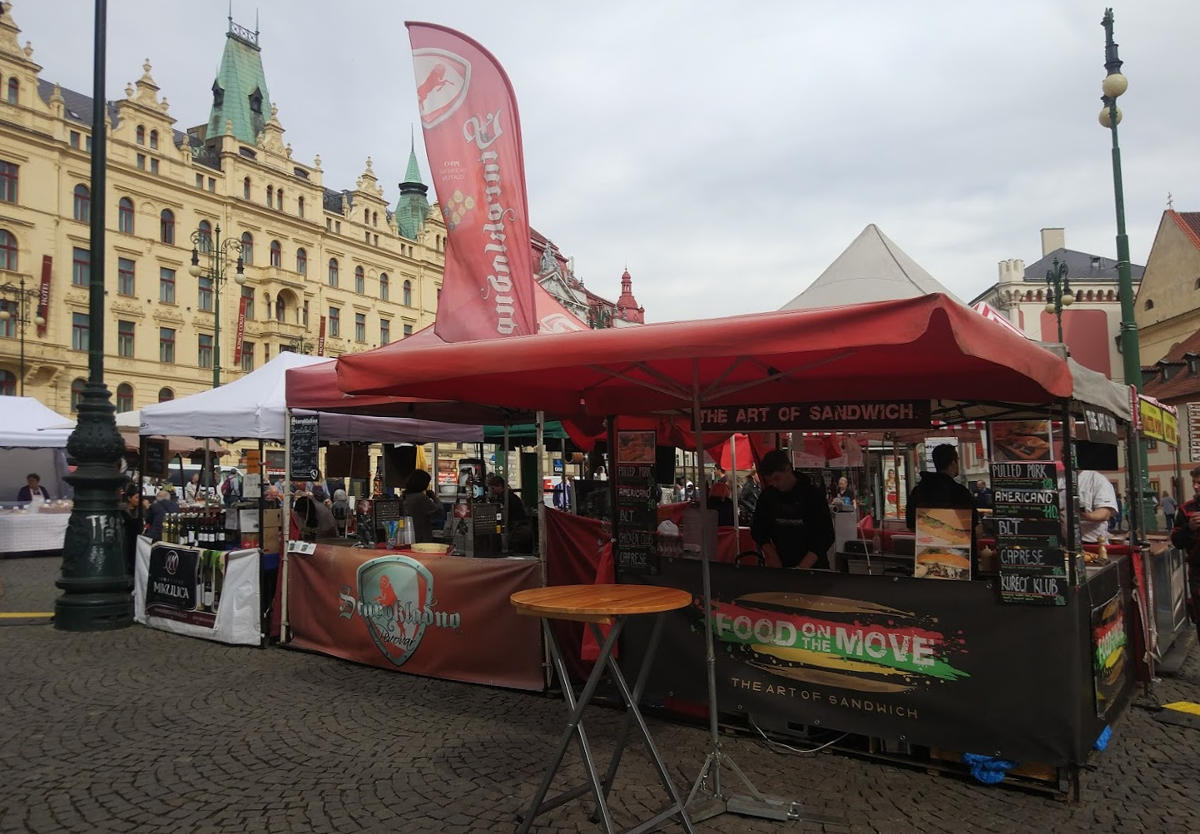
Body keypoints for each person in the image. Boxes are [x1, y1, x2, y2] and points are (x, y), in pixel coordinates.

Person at [750, 449, 836, 569]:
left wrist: (802, 567)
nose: (774, 484)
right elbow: (758, 530)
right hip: (781, 566)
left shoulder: (812, 495)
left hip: (814, 568)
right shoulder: (767, 496)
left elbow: (826, 535)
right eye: (770, 481)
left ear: (788, 469)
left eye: (777, 478)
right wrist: (771, 555)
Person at [906, 444, 979, 547]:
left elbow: (911, 525)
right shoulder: (960, 492)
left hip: (928, 550)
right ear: (953, 462)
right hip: (959, 552)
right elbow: (974, 526)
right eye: (957, 460)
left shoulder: (918, 491)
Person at [1169, 466, 1200, 642]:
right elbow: (1176, 541)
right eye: (1194, 482)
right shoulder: (1185, 510)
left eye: (1199, 483)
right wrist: (1189, 528)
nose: (1195, 486)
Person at [1076, 470, 1118, 543]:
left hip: (1092, 543)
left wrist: (1078, 515)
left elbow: (1104, 514)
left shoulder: (1098, 479)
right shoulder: (1059, 477)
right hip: (1063, 543)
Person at [401, 470, 441, 543]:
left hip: (408, 536)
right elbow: (439, 511)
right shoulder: (421, 497)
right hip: (421, 537)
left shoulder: (405, 496)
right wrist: (434, 497)